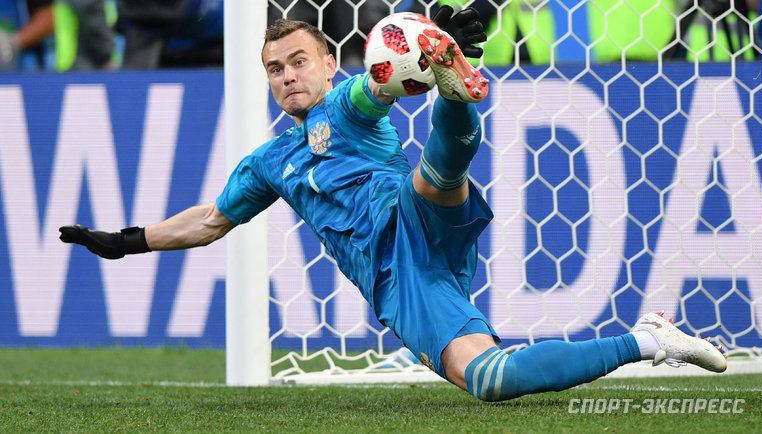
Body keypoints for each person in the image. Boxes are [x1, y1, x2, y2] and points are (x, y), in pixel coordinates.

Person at [59, 7, 727, 401]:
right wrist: (124, 241)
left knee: (438, 175)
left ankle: (648, 339)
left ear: (328, 65)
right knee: (489, 379)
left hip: (410, 218)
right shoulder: (269, 162)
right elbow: (209, 222)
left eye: (299, 61)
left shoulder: (345, 106)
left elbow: (377, 90)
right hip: (404, 278)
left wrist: (412, 66)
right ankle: (453, 83)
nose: (288, 76)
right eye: (275, 69)